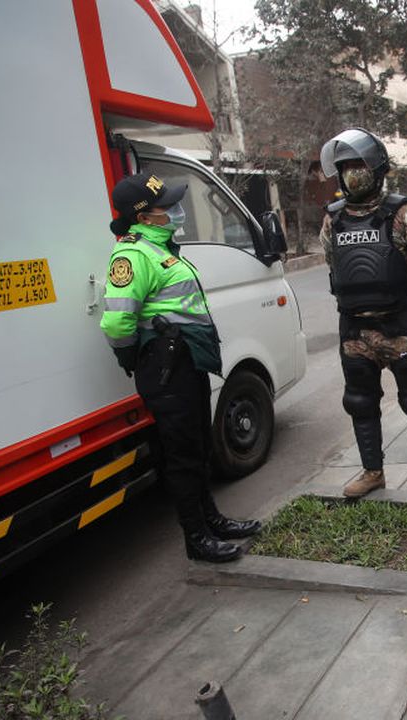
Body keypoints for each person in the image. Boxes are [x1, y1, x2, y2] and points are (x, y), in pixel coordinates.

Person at [100, 173, 261, 563]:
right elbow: (117, 321)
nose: (175, 211)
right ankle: (197, 539)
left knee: (200, 446)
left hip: (186, 362)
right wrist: (133, 356)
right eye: (166, 206)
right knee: (183, 456)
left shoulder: (162, 249)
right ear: (144, 216)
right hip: (165, 368)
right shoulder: (132, 256)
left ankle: (213, 521)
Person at [317, 128, 407, 500]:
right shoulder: (334, 219)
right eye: (344, 167)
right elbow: (334, 266)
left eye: (358, 165)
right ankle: (372, 473)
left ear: (376, 168)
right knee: (360, 402)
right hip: (354, 331)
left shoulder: (402, 214)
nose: (351, 174)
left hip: (400, 326)